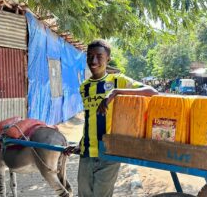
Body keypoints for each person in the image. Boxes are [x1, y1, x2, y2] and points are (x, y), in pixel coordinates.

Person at [64, 39, 158, 197]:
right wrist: (80, 143)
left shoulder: (117, 81)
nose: (93, 61)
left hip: (109, 152)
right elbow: (90, 118)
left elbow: (152, 92)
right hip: (87, 152)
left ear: (108, 59)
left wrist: (115, 92)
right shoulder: (84, 87)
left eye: (99, 56)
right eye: (90, 56)